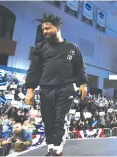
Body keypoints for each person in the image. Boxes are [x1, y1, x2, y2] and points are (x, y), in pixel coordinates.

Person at [25, 13, 88, 156]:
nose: (44, 32)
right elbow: (33, 69)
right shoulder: (40, 48)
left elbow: (80, 68)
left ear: (57, 28)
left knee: (60, 120)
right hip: (46, 88)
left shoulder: (72, 47)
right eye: (43, 30)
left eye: (47, 28)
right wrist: (30, 90)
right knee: (48, 120)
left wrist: (83, 84)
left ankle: (58, 150)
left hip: (65, 89)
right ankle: (50, 149)